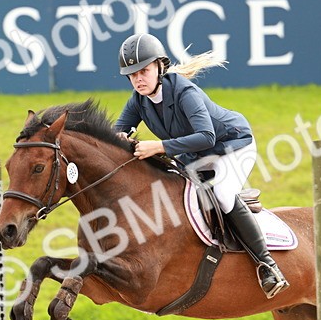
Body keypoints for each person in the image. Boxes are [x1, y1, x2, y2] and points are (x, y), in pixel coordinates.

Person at [113, 33, 289, 299]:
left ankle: (268, 266)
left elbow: (207, 136)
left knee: (222, 194)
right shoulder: (138, 100)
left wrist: (159, 146)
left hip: (232, 146)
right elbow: (118, 131)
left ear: (160, 67)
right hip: (195, 157)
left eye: (144, 71)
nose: (138, 79)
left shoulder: (184, 92)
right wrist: (119, 138)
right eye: (132, 74)